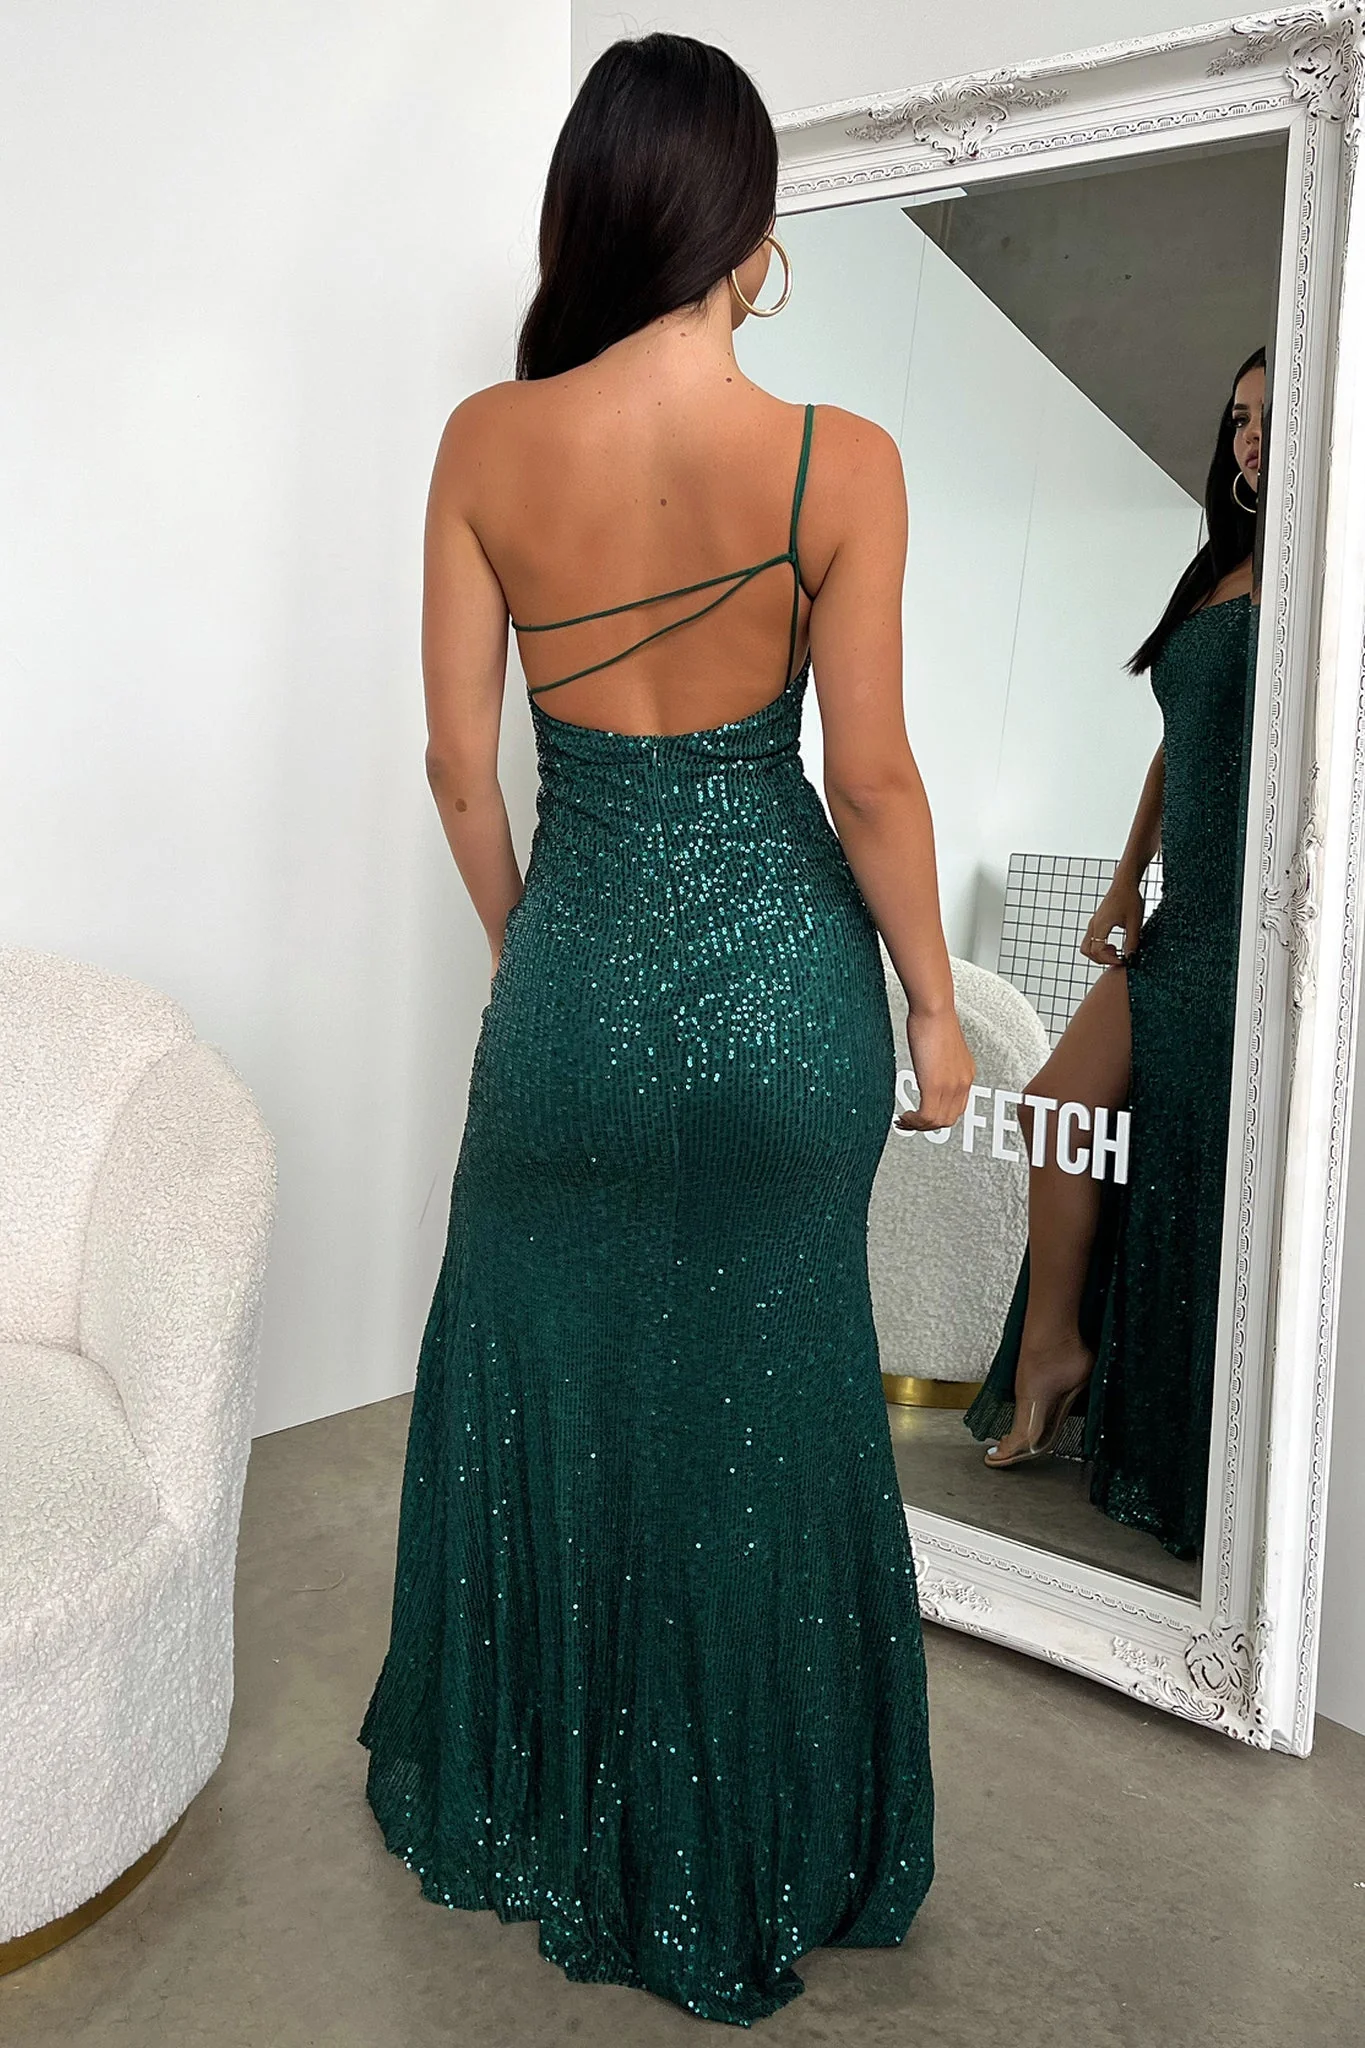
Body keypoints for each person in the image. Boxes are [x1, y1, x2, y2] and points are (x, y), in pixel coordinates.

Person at [356, 31, 973, 2026]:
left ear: (595, 209)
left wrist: (534, 950)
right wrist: (936, 1003)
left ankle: (549, 1796)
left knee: (547, 1369)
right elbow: (869, 779)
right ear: (745, 227)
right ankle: (761, 1825)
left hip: (577, 984)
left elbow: (461, 768)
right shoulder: (838, 461)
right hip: (787, 992)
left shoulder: (483, 442)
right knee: (770, 1405)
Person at [964, 347, 1265, 1563]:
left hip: (1258, 924)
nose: (1249, 436)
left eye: (1271, 415)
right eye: (1236, 417)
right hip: (1185, 912)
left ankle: (1147, 1409)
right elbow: (1173, 749)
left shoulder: (1322, 579)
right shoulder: (1216, 571)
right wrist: (1124, 876)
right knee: (1053, 1108)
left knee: (1198, 1169)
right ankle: (1055, 1348)